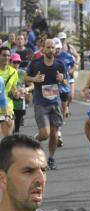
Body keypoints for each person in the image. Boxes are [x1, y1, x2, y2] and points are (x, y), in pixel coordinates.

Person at [24, 38, 67, 170]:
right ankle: (33, 141)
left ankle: (51, 158)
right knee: (45, 134)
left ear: (55, 49)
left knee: (54, 134)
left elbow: (65, 82)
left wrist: (62, 80)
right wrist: (34, 79)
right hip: (41, 103)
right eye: (47, 47)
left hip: (55, 102)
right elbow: (25, 77)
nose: (50, 50)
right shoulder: (36, 63)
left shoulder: (60, 64)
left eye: (52, 48)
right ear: (43, 49)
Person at [55, 38, 75, 123]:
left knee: (66, 100)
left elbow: (75, 66)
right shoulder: (48, 57)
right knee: (54, 103)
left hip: (64, 82)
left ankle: (64, 110)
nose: (57, 50)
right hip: (53, 84)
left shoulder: (67, 56)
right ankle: (58, 119)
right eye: (55, 48)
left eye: (58, 48)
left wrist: (70, 71)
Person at [9, 53, 28, 133]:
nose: (16, 64)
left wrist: (26, 89)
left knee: (16, 128)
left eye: (18, 62)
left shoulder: (22, 73)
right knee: (9, 125)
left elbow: (32, 85)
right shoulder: (6, 73)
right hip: (9, 102)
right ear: (10, 62)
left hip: (20, 103)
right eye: (14, 62)